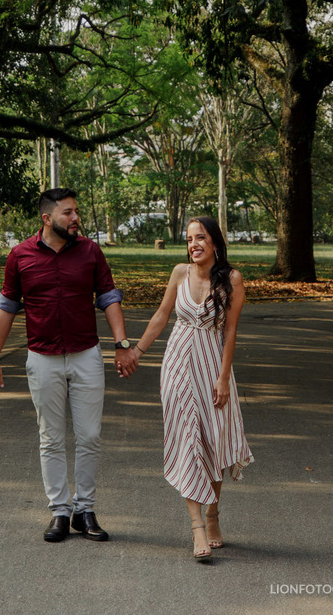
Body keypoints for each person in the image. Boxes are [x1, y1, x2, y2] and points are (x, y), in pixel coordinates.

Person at [0, 188, 139, 543]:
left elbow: (109, 297)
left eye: (76, 212)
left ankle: (85, 511)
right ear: (47, 218)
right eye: (68, 212)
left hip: (86, 355)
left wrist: (122, 345)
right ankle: (59, 511)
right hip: (43, 359)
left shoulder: (90, 251)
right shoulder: (20, 255)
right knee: (50, 438)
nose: (75, 218)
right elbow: (6, 308)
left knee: (89, 436)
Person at [123, 216, 254, 561]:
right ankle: (197, 527)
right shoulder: (179, 273)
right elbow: (161, 316)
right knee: (188, 441)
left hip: (213, 368)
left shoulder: (233, 279)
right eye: (189, 239)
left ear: (215, 242)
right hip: (178, 366)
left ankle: (213, 514)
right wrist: (136, 352)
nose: (193, 244)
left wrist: (223, 377)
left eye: (200, 238)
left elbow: (230, 331)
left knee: (213, 441)